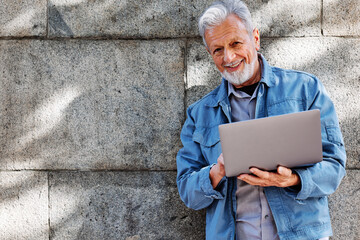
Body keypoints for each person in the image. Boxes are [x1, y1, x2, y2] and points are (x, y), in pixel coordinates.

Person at [176, 0, 346, 239]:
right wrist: (217, 172)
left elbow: (335, 166)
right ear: (209, 53)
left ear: (255, 38)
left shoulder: (306, 89)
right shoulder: (199, 113)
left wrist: (293, 179)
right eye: (218, 49)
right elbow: (187, 191)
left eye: (236, 43)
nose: (229, 56)